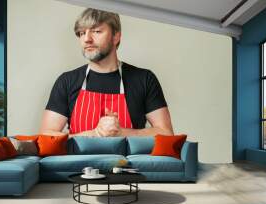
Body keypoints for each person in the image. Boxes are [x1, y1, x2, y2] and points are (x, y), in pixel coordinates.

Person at [40, 8, 174, 137]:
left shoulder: (144, 79)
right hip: (80, 161)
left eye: (96, 31)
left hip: (127, 161)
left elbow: (165, 132)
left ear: (116, 36)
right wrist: (94, 134)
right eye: (82, 33)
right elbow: (46, 136)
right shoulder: (67, 81)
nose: (87, 39)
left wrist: (122, 133)